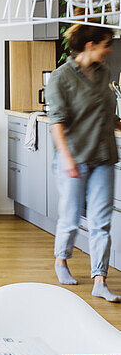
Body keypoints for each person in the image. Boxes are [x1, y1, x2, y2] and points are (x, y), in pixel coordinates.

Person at [46, 23, 121, 301]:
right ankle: (61, 260)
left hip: (103, 155)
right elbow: (57, 122)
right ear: (90, 46)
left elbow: (105, 112)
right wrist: (66, 157)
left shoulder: (103, 73)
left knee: (101, 221)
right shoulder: (61, 77)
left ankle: (100, 280)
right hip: (74, 158)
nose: (109, 49)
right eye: (105, 44)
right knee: (70, 218)